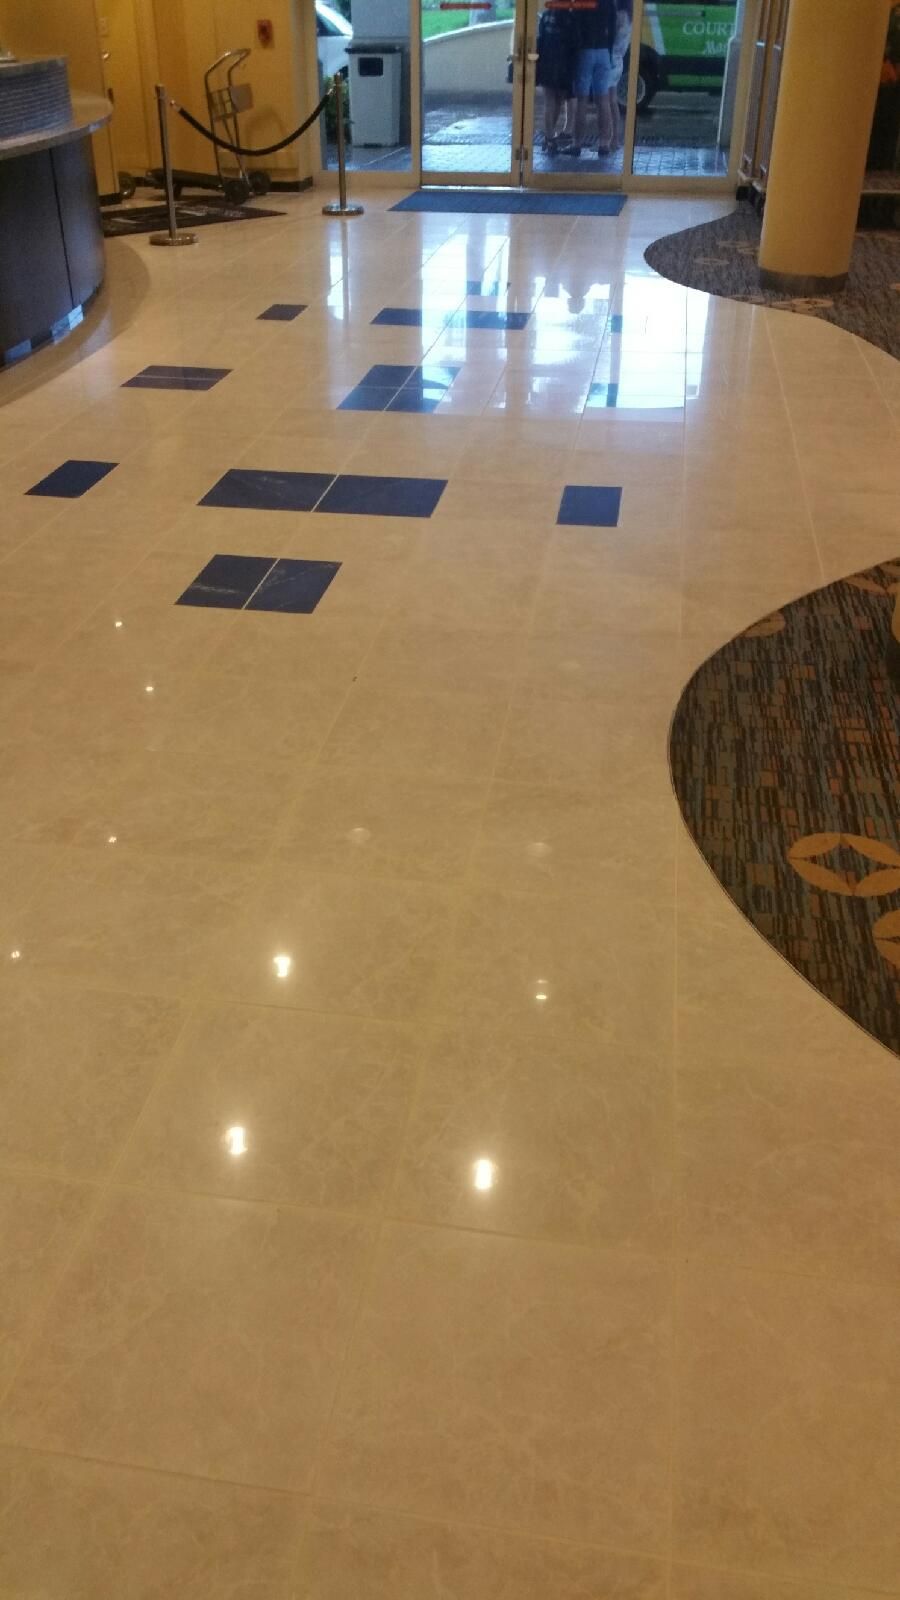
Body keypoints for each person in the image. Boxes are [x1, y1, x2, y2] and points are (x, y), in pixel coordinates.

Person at [566, 0, 616, 157]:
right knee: (603, 100)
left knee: (582, 101)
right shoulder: (609, 3)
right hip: (603, 52)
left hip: (585, 51)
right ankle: (604, 144)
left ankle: (577, 143)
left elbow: (573, 28)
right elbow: (613, 29)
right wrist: (608, 49)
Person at [535, 3, 577, 153]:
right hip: (564, 66)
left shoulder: (546, 17)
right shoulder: (570, 18)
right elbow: (574, 44)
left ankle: (549, 137)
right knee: (558, 101)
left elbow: (541, 39)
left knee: (549, 102)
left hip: (547, 63)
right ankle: (549, 136)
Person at [607, 0, 633, 153]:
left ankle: (614, 138)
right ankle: (614, 138)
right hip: (618, 60)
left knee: (609, 101)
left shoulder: (619, 16)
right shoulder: (628, 16)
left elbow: (610, 35)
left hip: (612, 59)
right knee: (612, 101)